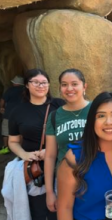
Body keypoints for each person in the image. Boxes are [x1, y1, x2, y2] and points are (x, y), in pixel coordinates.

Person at [44, 69, 112, 214]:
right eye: (101, 116)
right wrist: (49, 191)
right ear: (92, 120)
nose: (108, 122)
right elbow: (65, 208)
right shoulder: (73, 157)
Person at [8, 68, 65, 220]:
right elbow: (13, 141)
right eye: (36, 82)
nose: (41, 86)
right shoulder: (17, 111)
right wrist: (25, 154)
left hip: (61, 165)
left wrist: (52, 150)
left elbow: (75, 131)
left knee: (60, 210)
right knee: (38, 211)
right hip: (34, 169)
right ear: (26, 85)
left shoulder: (60, 105)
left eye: (44, 82)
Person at [45, 68, 91, 212]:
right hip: (65, 179)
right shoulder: (54, 116)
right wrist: (50, 192)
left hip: (94, 175)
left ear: (84, 86)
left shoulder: (97, 110)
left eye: (74, 84)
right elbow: (50, 155)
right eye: (64, 85)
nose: (69, 88)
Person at [0, 75, 24, 155]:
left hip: (8, 114)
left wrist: (1, 107)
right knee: (21, 131)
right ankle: (21, 147)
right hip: (21, 114)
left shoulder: (10, 90)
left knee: (5, 131)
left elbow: (2, 100)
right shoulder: (25, 90)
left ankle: (5, 148)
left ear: (14, 83)